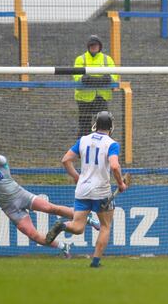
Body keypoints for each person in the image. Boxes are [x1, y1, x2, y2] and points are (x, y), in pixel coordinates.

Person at [45, 111, 127, 268]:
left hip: (82, 189)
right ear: (111, 126)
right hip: (101, 191)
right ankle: (95, 262)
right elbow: (115, 166)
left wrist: (77, 177)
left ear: (95, 124)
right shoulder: (111, 144)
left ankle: (63, 225)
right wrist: (121, 184)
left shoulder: (83, 140)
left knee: (78, 226)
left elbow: (65, 160)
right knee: (105, 226)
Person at [73, 35, 119, 138]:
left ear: (100, 46)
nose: (94, 47)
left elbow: (113, 76)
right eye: (92, 45)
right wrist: (101, 80)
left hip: (101, 97)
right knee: (84, 126)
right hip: (84, 99)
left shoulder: (107, 59)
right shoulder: (81, 59)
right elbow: (78, 77)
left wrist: (90, 79)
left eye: (96, 45)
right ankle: (82, 149)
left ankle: (103, 147)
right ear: (88, 47)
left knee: (103, 124)